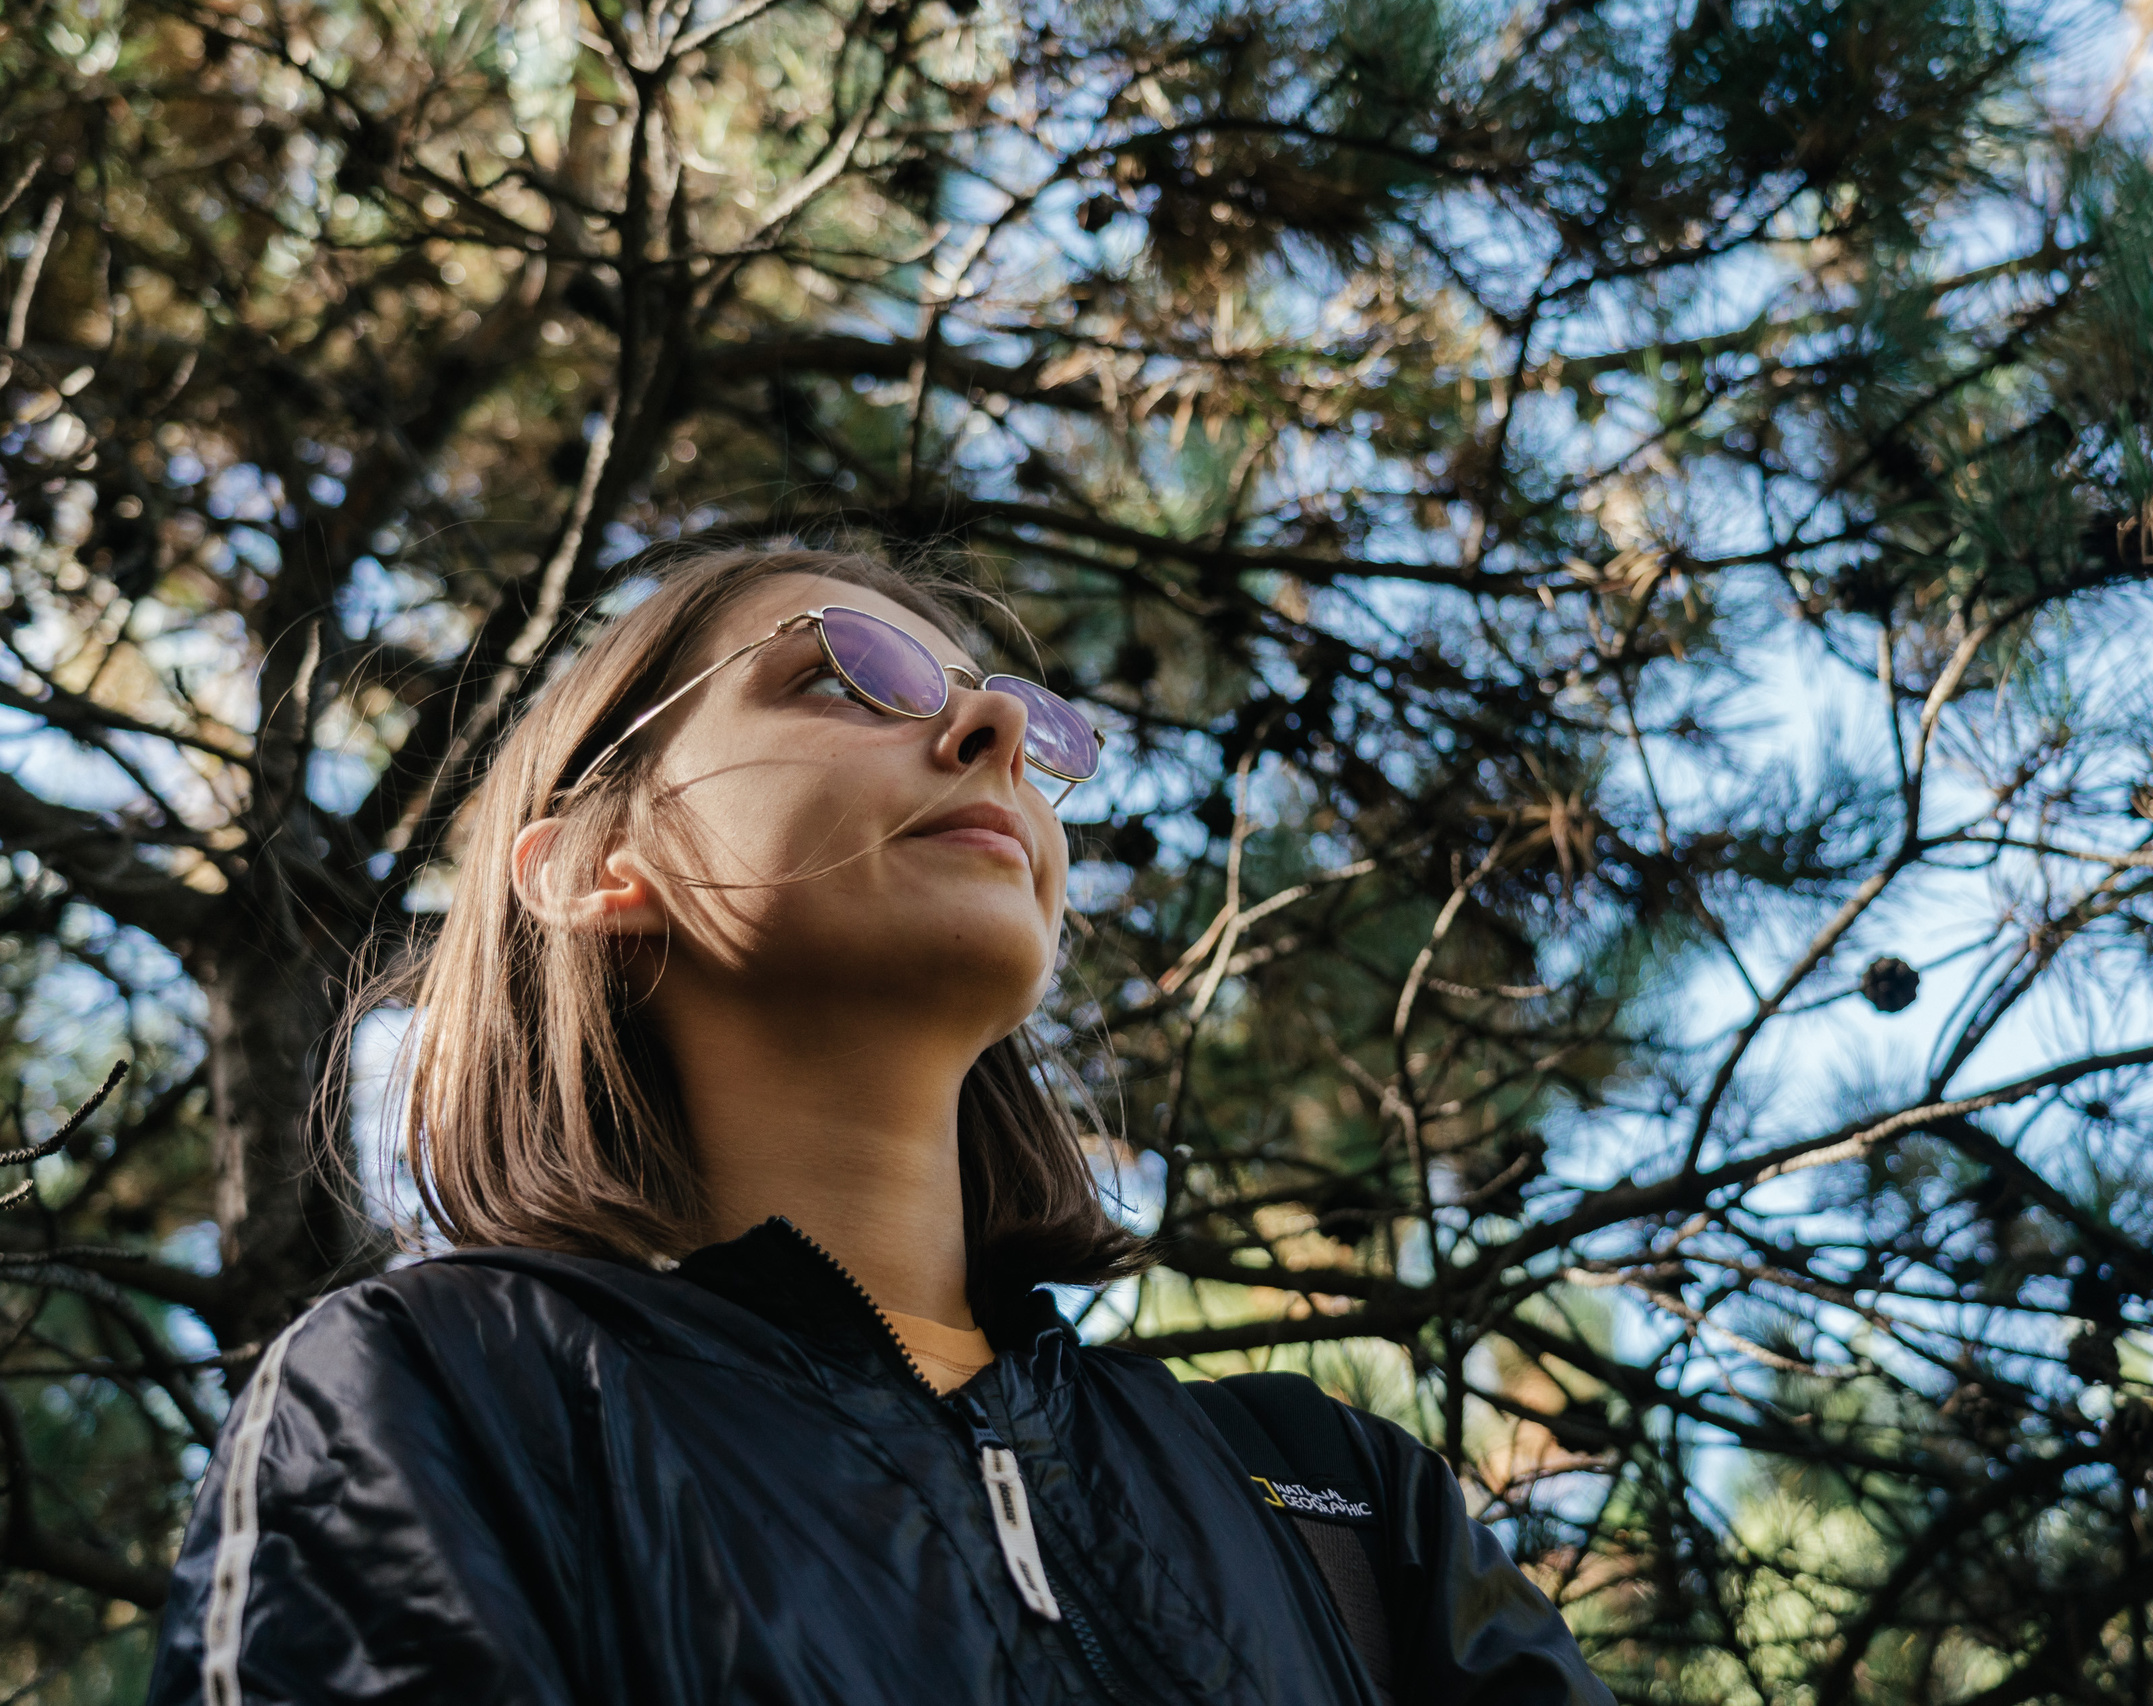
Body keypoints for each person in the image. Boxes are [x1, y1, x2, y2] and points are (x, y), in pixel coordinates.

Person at [146, 543, 1613, 1705]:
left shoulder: (1336, 1499)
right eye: (848, 674)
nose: (989, 729)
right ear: (594, 863)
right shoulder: (441, 1392)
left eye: (1023, 720)